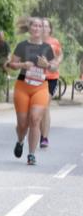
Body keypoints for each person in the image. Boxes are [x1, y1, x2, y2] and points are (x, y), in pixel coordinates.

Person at [7, 17, 56, 165]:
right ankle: (20, 141)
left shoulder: (47, 48)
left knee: (35, 119)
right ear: (30, 28)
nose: (36, 28)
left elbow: (54, 68)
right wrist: (23, 64)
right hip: (23, 85)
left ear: (43, 30)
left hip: (41, 86)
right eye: (34, 25)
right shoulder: (22, 46)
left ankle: (31, 154)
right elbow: (11, 64)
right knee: (22, 124)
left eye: (39, 26)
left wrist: (47, 64)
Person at [39, 18, 63, 148]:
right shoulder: (35, 42)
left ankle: (44, 137)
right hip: (37, 78)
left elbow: (60, 54)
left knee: (44, 105)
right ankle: (38, 133)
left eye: (46, 26)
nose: (43, 28)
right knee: (37, 108)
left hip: (51, 78)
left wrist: (57, 62)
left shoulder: (54, 42)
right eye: (41, 25)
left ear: (50, 29)